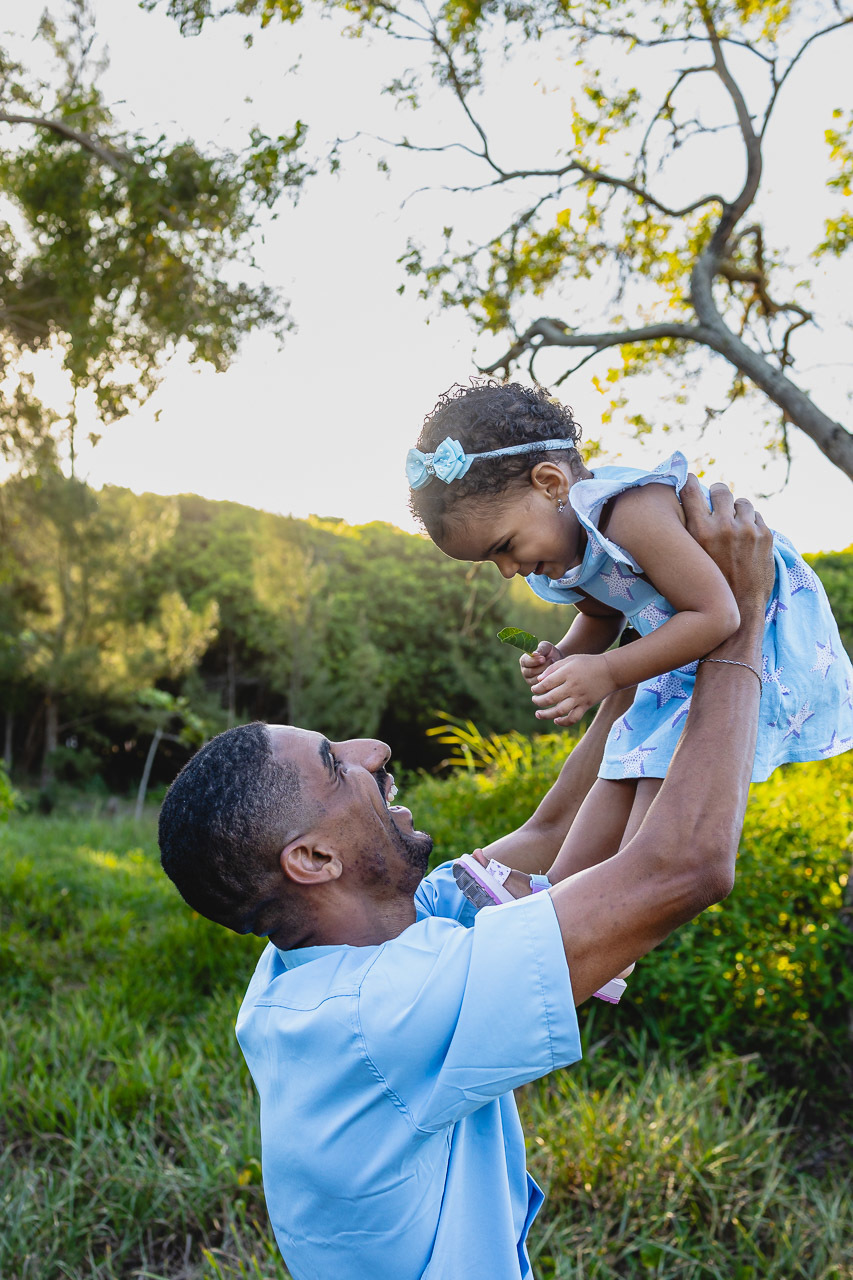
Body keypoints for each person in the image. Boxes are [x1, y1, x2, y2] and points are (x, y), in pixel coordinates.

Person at [158, 479, 774, 1280]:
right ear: (311, 862)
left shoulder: (342, 942)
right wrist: (739, 617)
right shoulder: (380, 1013)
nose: (372, 749)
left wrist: (637, 626)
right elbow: (684, 866)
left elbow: (553, 832)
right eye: (332, 763)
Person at [406, 381, 853, 946]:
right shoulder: (566, 544)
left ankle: (618, 916)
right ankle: (561, 893)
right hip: (683, 643)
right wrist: (568, 656)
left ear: (551, 484)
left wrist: (610, 673)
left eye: (503, 546)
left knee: (653, 760)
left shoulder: (629, 512)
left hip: (763, 628)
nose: (507, 570)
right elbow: (604, 612)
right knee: (625, 756)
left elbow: (718, 614)